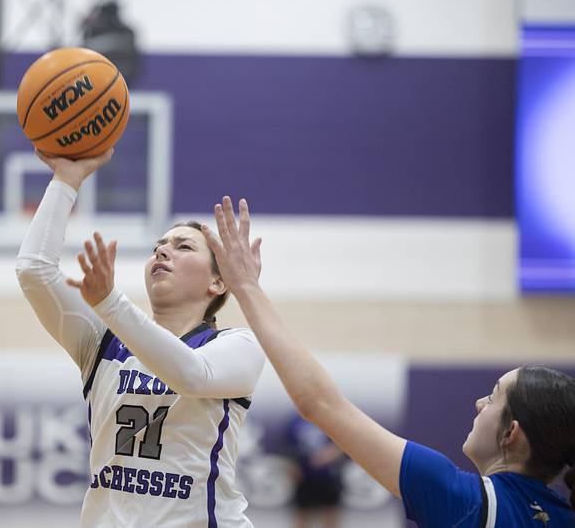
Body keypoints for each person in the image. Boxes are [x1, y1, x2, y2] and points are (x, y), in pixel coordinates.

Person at [201, 196, 575, 528]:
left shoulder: (462, 497)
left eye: (493, 398)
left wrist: (248, 287)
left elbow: (320, 403)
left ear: (511, 433)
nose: (479, 403)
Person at [15, 149, 265, 527]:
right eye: (158, 247)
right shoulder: (104, 342)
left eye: (183, 247)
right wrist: (66, 180)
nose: (163, 250)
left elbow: (191, 375)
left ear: (218, 282)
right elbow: (34, 271)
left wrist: (109, 302)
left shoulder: (238, 345)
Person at [286, 415, 345, 528]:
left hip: (328, 475)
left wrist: (328, 455)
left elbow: (341, 444)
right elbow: (287, 448)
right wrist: (292, 466)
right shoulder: (294, 422)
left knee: (330, 512)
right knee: (302, 513)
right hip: (304, 476)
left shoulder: (330, 418)